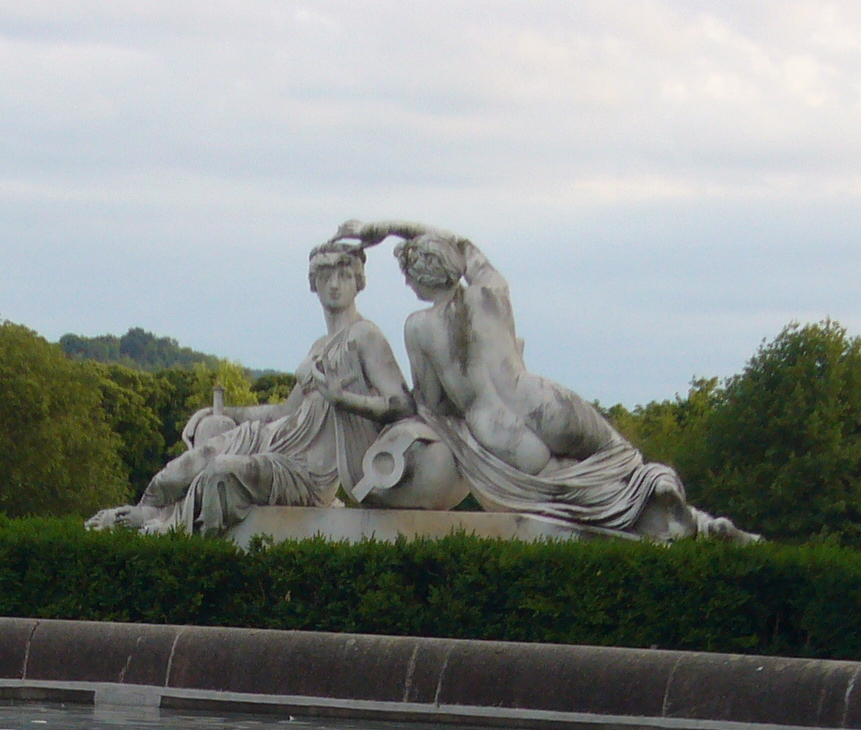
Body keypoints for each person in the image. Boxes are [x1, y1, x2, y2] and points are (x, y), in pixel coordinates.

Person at [333, 219, 754, 542]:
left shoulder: (419, 327)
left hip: (499, 432)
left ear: (418, 278)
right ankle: (699, 519)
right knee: (623, 462)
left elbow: (432, 404)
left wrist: (349, 399)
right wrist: (389, 229)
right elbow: (463, 245)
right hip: (544, 400)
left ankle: (676, 522)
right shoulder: (489, 292)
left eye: (407, 276)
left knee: (585, 499)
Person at [88, 241, 414, 536]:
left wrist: (344, 399)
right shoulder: (320, 344)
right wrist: (221, 412)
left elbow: (402, 404)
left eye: (344, 275)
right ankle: (144, 510)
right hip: (276, 438)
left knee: (222, 472)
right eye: (325, 275)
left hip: (306, 472)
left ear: (359, 282)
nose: (334, 285)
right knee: (197, 456)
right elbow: (286, 411)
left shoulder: (365, 337)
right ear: (312, 284)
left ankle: (162, 530)